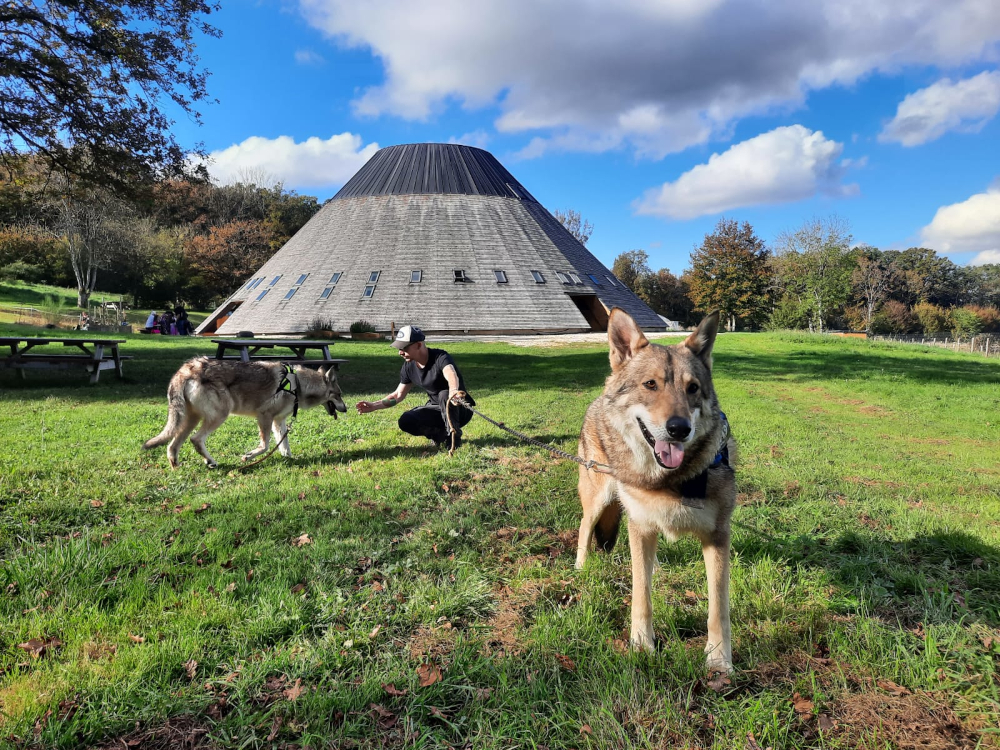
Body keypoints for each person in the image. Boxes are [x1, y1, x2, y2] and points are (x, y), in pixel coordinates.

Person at [355, 325, 475, 451]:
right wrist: (374, 406)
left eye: (404, 348)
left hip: (459, 409)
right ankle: (439, 435)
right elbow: (397, 395)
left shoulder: (440, 357)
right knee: (406, 420)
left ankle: (454, 438)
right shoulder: (409, 367)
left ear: (418, 345)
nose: (400, 352)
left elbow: (450, 373)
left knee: (444, 394)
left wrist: (454, 391)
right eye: (399, 348)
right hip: (436, 408)